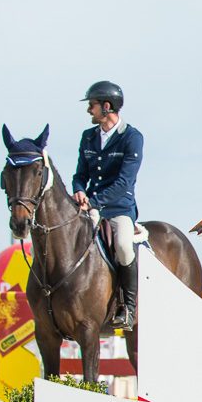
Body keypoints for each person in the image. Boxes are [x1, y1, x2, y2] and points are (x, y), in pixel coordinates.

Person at [72, 80, 143, 329]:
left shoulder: (131, 137)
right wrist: (79, 191)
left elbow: (125, 182)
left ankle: (129, 308)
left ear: (106, 106)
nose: (88, 110)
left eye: (92, 105)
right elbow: (80, 175)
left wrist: (93, 202)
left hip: (119, 208)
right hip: (90, 207)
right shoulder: (88, 137)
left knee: (123, 245)